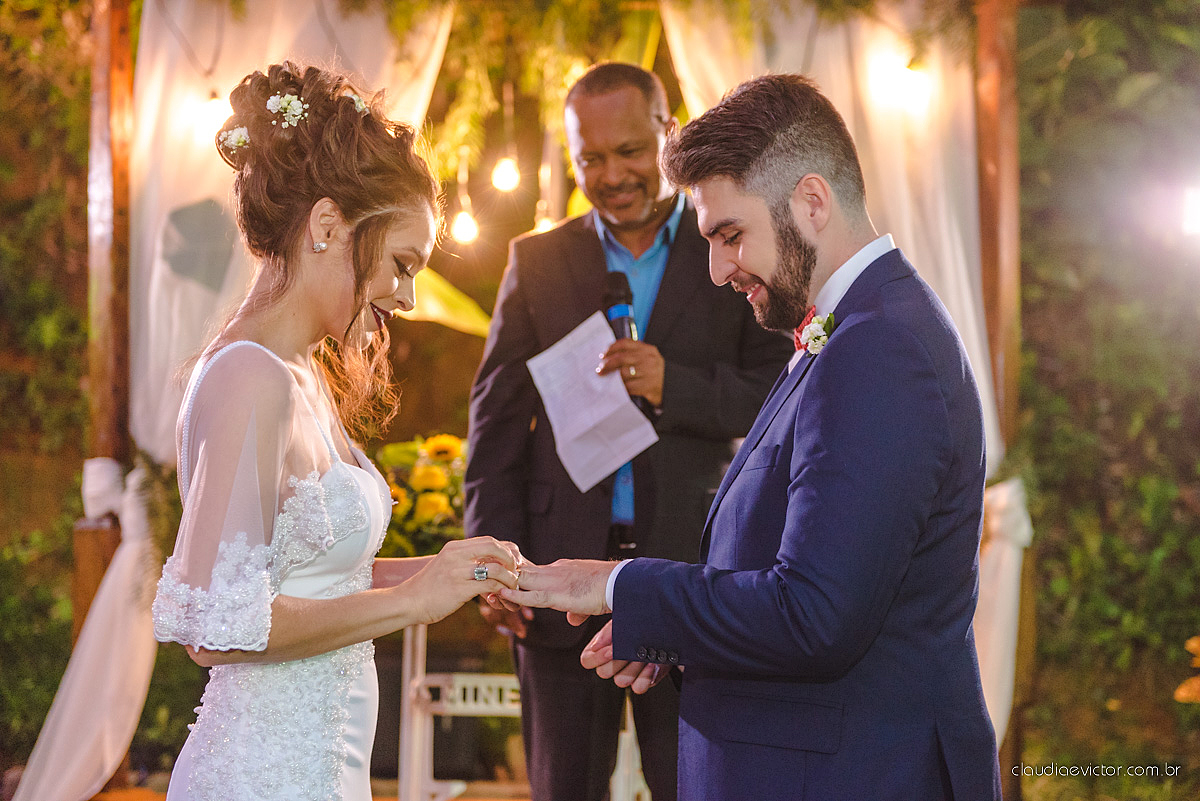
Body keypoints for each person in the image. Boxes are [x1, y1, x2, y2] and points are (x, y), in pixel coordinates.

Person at [502, 73, 1003, 801]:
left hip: (847, 774)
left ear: (811, 202)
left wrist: (616, 584)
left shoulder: (878, 348)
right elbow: (794, 562)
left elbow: (815, 615)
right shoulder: (854, 327)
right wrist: (670, 629)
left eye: (730, 236)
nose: (717, 270)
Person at [150, 62, 522, 801]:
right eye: (402, 264)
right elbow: (217, 626)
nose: (408, 297)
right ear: (327, 226)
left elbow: (318, 581)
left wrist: (445, 572)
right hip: (263, 777)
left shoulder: (301, 373)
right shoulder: (248, 377)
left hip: (323, 769)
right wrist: (412, 602)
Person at [464, 62, 792, 801]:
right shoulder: (538, 261)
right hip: (556, 582)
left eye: (630, 152)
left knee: (697, 785)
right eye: (591, 159)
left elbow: (782, 394)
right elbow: (495, 422)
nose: (611, 176)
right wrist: (492, 561)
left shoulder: (730, 244)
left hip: (692, 574)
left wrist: (677, 387)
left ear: (668, 133)